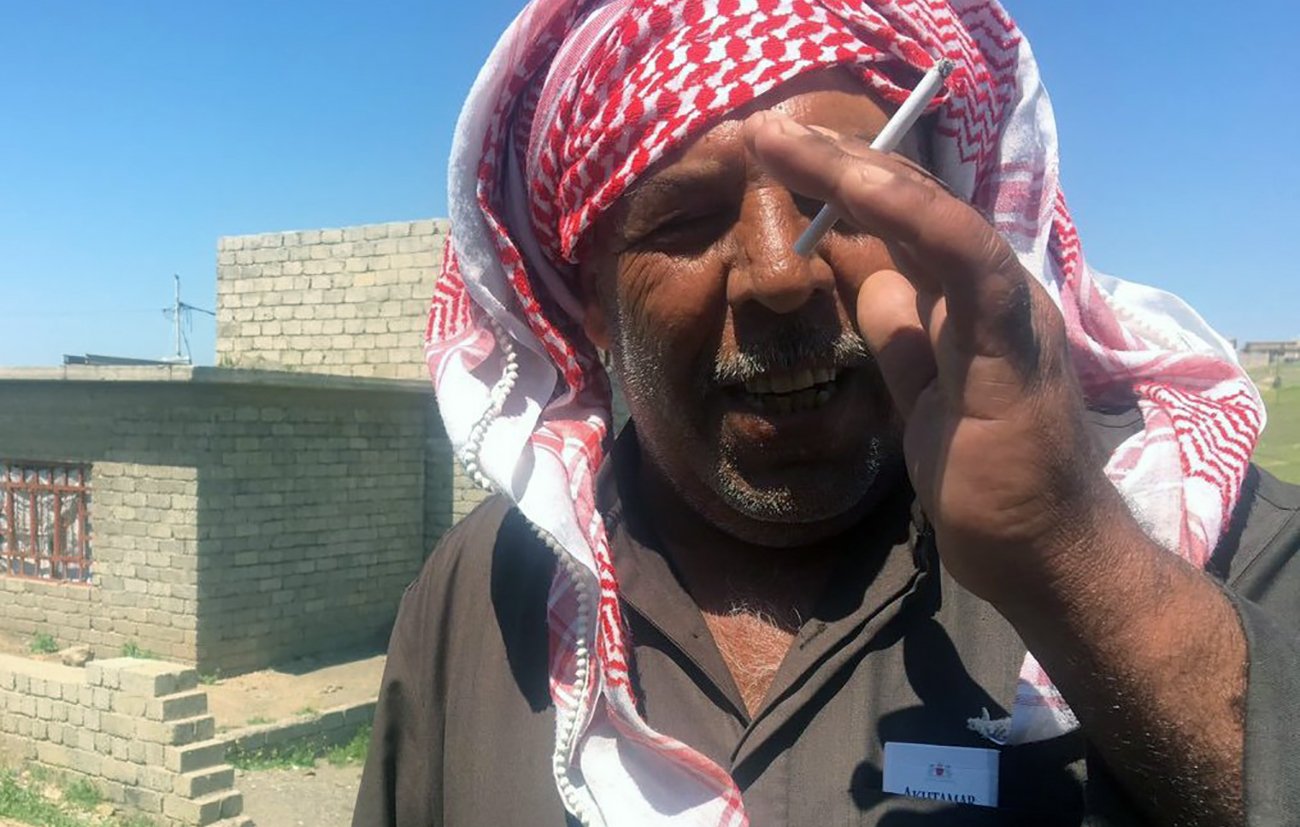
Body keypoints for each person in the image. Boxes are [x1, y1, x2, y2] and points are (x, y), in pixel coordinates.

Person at [353, 1, 1300, 825]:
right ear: (590, 299)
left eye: (844, 198)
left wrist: (1073, 563)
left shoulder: (1204, 543)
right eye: (686, 221)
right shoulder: (479, 601)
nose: (781, 271)